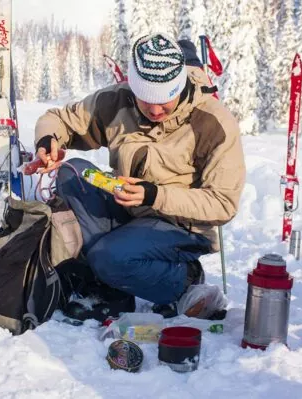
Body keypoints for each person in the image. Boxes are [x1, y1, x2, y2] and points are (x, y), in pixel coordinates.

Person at [33, 33, 246, 320]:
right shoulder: (117, 101)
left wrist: (155, 195)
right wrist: (48, 142)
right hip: (129, 206)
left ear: (180, 85)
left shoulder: (213, 122)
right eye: (146, 100)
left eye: (165, 100)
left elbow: (223, 203)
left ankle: (183, 279)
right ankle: (112, 281)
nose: (156, 110)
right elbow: (60, 120)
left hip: (180, 226)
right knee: (74, 173)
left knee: (108, 257)